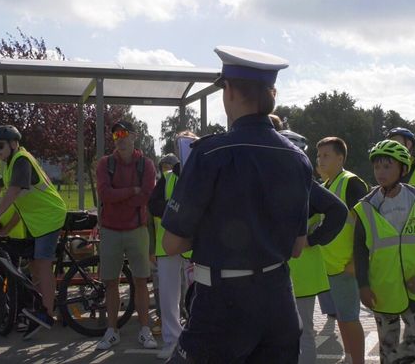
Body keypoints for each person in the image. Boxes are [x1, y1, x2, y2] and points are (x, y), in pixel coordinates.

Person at [161, 45, 313, 363]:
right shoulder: (298, 158)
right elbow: (298, 246)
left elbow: (172, 242)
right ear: (272, 93)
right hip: (279, 302)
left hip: (221, 306)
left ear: (228, 91)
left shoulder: (209, 153)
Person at [354, 139, 415, 364]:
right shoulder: (366, 205)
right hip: (383, 285)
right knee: (387, 345)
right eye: (377, 166)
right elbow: (359, 250)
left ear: (403, 169)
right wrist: (362, 285)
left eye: (387, 166)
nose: (381, 172)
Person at [0, 125, 67, 339]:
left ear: (13, 144)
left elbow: (14, 190)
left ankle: (47, 313)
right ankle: (39, 307)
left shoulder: (21, 160)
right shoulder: (5, 164)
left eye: (0, 146)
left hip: (50, 215)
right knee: (34, 265)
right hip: (36, 220)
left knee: (43, 262)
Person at [281, 130, 348, 364]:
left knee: (303, 331)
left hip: (302, 270)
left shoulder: (305, 184)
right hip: (280, 269)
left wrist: (312, 239)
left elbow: (339, 211)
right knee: (286, 332)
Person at [95, 120, 157, 350]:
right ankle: (112, 331)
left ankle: (144, 330)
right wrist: (132, 191)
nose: (119, 138)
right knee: (110, 282)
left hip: (137, 231)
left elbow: (147, 195)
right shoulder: (105, 163)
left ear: (134, 136)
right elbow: (105, 194)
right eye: (115, 135)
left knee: (141, 281)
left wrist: (119, 195)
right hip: (111, 230)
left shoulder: (147, 164)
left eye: (123, 133)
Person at [315, 136, 368, 364]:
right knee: (342, 319)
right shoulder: (326, 185)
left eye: (326, 155)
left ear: (341, 157)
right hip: (331, 265)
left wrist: (358, 261)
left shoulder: (351, 183)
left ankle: (357, 360)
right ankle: (349, 356)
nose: (320, 160)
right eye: (318, 156)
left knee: (349, 317)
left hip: (346, 265)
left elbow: (366, 225)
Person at [148, 138, 196, 360]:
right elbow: (153, 204)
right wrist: (173, 208)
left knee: (195, 295)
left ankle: (195, 338)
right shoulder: (167, 177)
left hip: (193, 245)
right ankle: (171, 340)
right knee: (168, 297)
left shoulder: (200, 173)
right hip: (166, 245)